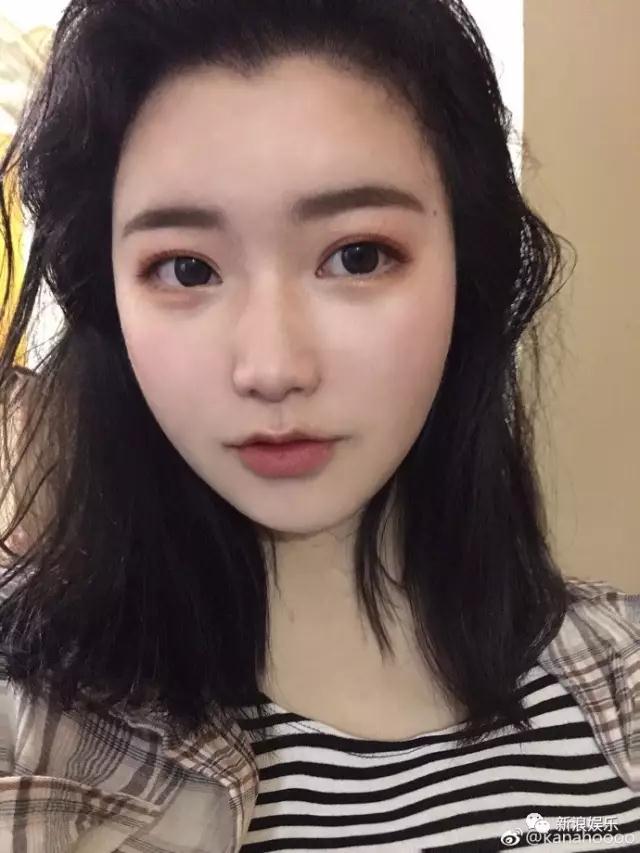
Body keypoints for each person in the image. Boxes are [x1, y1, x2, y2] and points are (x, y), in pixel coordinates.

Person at [0, 1, 637, 850]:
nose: (273, 366)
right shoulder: (28, 728)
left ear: (469, 268)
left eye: (357, 256)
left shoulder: (625, 673)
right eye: (186, 268)